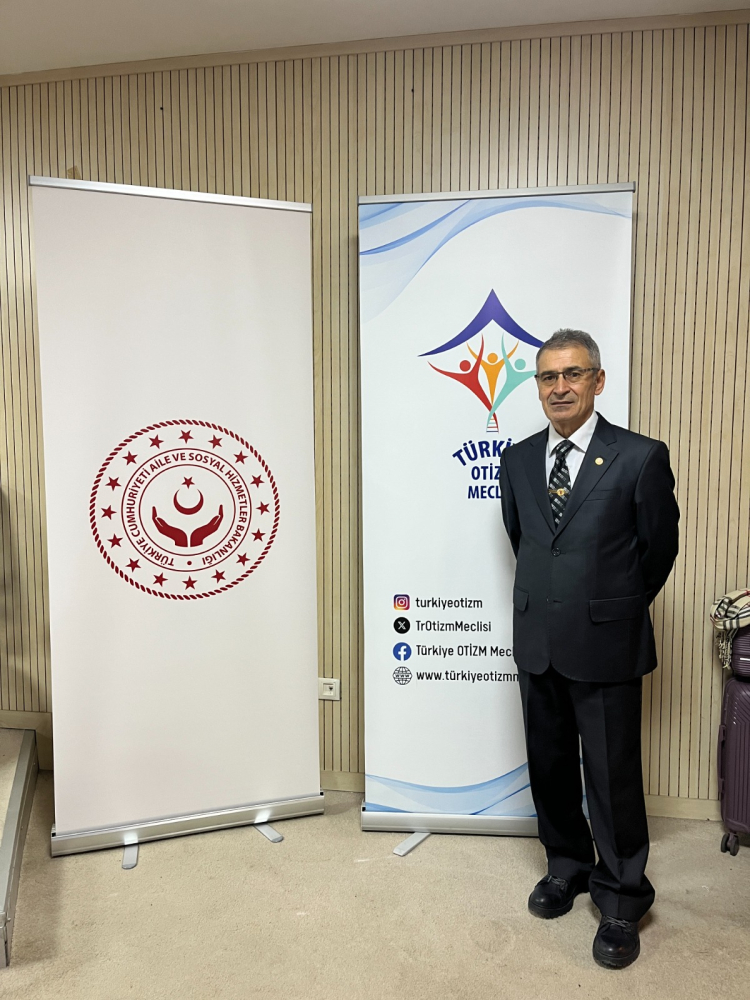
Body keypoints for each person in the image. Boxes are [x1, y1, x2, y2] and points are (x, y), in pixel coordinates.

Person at [499, 328, 679, 970]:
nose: (560, 387)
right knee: (548, 765)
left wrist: (610, 605)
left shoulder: (639, 456)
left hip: (606, 641)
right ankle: (567, 866)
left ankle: (623, 897)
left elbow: (657, 551)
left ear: (598, 381)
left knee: (612, 776)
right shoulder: (518, 459)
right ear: (538, 386)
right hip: (537, 640)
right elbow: (524, 538)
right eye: (548, 377)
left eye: (573, 374)